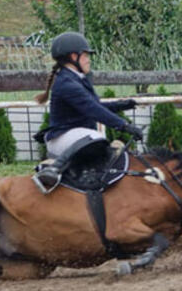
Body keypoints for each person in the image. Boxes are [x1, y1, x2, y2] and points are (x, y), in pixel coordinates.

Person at [32, 31, 143, 194]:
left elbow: (94, 105)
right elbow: (93, 110)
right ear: (73, 57)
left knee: (98, 140)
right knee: (97, 138)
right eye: (85, 55)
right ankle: (53, 169)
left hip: (76, 135)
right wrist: (124, 126)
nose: (88, 59)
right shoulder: (67, 83)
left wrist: (123, 105)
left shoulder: (76, 79)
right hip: (62, 137)